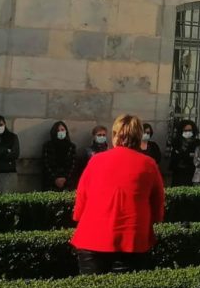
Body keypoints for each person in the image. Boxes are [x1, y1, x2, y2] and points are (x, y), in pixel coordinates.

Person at [70, 114, 165, 275]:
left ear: (114, 136)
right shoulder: (148, 164)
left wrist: (78, 216)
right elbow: (157, 203)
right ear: (138, 136)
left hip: (92, 236)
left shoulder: (96, 160)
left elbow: (82, 196)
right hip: (132, 238)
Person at [42, 121, 76, 191]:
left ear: (66, 131)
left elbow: (73, 163)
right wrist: (55, 178)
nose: (60, 132)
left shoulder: (71, 146)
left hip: (67, 181)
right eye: (58, 130)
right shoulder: (48, 146)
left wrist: (65, 178)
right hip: (51, 181)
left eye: (62, 130)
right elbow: (46, 163)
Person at [169, 119, 200, 187]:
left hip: (191, 172)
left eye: (190, 130)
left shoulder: (197, 143)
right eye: (185, 130)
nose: (188, 132)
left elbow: (197, 157)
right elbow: (174, 157)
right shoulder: (176, 142)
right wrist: (188, 155)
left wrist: (183, 154)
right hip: (178, 173)